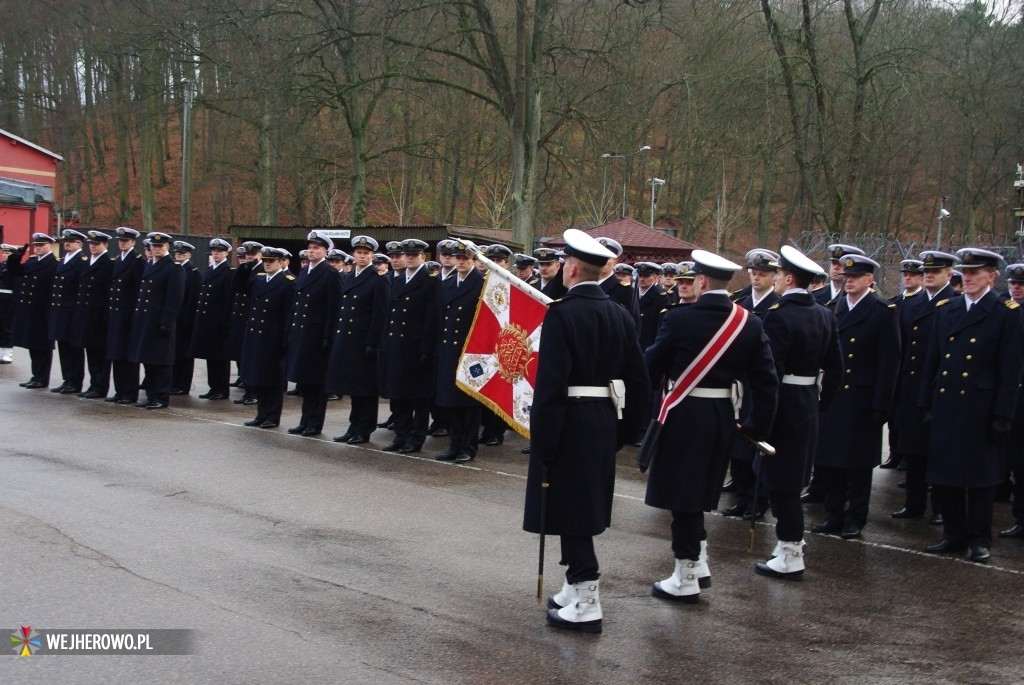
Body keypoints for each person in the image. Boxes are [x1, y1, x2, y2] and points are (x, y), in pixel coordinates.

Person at [524, 229, 649, 634]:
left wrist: (542, 441)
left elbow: (550, 386)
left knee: (572, 508)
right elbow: (638, 381)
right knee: (577, 503)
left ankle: (587, 593)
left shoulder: (562, 313)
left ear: (572, 269)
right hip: (601, 421)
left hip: (569, 420)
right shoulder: (620, 314)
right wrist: (624, 432)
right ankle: (573, 585)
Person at [643, 250, 778, 604]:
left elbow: (650, 366)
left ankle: (685, 573)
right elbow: (766, 384)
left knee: (682, 496)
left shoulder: (679, 319)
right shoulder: (749, 322)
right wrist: (754, 428)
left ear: (701, 281)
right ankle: (699, 561)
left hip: (684, 413)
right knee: (701, 490)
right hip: (721, 414)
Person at [920, 248, 1024, 564]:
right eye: (964, 273)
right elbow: (933, 361)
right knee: (945, 474)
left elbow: (1011, 370)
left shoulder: (1005, 312)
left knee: (980, 479)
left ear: (991, 277)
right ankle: (953, 534)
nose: (967, 279)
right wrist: (925, 400)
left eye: (974, 274)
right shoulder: (947, 310)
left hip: (981, 407)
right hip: (947, 403)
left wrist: (1003, 414)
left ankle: (979, 539)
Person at [755, 246, 842, 580]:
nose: (774, 278)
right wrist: (820, 404)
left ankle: (791, 551)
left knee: (783, 483)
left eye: (777, 274)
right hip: (806, 401)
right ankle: (786, 542)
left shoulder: (779, 315)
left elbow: (770, 372)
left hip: (784, 404)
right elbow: (836, 369)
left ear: (788, 278)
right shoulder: (824, 314)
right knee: (787, 477)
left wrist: (762, 416)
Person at [810, 255, 900, 539]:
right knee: (831, 460)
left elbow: (889, 364)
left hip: (863, 398)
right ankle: (833, 513)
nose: (848, 280)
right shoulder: (832, 308)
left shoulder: (883, 312)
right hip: (834, 396)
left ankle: (855, 517)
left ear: (870, 280)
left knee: (859, 464)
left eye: (856, 276)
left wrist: (881, 405)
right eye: (847, 276)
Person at [890, 251, 958, 520]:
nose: (928, 275)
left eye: (935, 272)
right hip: (911, 385)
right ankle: (914, 502)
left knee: (938, 452)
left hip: (938, 388)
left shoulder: (953, 303)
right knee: (915, 450)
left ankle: (941, 508)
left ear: (948, 275)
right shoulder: (912, 303)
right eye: (926, 272)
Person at [722, 248, 781, 521]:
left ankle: (758, 500)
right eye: (753, 273)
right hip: (738, 382)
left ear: (774, 276)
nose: (757, 278)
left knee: (755, 442)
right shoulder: (739, 303)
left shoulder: (778, 306)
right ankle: (741, 495)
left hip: (760, 382)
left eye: (763, 274)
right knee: (736, 444)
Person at [379, 238, 441, 453]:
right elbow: (389, 315)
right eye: (408, 255)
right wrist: (385, 342)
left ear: (423, 257)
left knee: (418, 398)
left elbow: (432, 319)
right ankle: (401, 434)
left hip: (417, 348)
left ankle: (416, 439)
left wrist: (427, 349)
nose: (410, 258)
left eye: (415, 255)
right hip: (396, 345)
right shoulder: (396, 279)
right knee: (398, 395)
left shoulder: (431, 280)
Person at [327, 235, 389, 445]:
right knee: (353, 388)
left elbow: (380, 314)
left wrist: (373, 342)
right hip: (347, 340)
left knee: (366, 389)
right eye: (359, 253)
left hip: (364, 341)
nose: (362, 256)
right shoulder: (350, 276)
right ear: (353, 254)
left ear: (372, 256)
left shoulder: (378, 278)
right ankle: (353, 426)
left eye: (366, 253)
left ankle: (364, 429)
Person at [286, 231, 342, 437]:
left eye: (316, 248)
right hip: (302, 333)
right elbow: (296, 304)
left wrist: (328, 336)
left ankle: (315, 422)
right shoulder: (304, 272)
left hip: (317, 336)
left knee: (317, 383)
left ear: (325, 251)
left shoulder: (330, 274)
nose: (311, 251)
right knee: (304, 382)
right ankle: (305, 419)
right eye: (309, 248)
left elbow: (333, 308)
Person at [433, 240, 485, 463]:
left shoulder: (482, 284)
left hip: (471, 351)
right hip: (448, 349)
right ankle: (454, 444)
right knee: (451, 401)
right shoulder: (447, 283)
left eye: (466, 258)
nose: (461, 262)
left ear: (474, 260)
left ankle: (468, 447)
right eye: (458, 258)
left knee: (469, 404)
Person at [128, 232, 186, 409]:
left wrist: (166, 322)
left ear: (167, 247)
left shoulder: (173, 268)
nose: (157, 249)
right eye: (154, 246)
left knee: (161, 362)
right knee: (149, 360)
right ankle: (151, 395)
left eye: (160, 246)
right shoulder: (151, 265)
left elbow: (174, 299)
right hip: (146, 321)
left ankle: (161, 397)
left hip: (160, 323)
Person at [240, 247, 296, 429]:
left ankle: (272, 416)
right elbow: (240, 289)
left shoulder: (288, 282)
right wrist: (247, 266)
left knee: (272, 379)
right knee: (259, 377)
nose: (268, 264)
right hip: (256, 334)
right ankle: (261, 413)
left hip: (273, 336)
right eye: (265, 261)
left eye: (271, 261)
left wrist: (285, 340)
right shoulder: (259, 279)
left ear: (281, 262)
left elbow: (289, 314)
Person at [881, 258, 925, 469]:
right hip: (896, 365)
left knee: (906, 413)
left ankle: (906, 453)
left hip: (910, 364)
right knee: (893, 412)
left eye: (913, 275)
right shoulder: (896, 302)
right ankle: (894, 451)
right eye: (905, 274)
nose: (907, 278)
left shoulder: (920, 303)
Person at [9, 234, 57, 388]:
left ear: (49, 245)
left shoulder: (53, 264)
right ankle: (36, 375)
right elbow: (16, 271)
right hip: (29, 310)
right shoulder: (32, 261)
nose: (37, 248)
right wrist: (15, 258)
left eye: (41, 245)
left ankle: (42, 378)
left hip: (41, 310)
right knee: (32, 345)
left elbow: (52, 290)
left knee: (41, 346)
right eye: (36, 245)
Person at [71, 230, 115, 398]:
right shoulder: (87, 262)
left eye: (97, 244)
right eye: (91, 244)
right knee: (91, 353)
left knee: (100, 355)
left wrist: (105, 317)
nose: (93, 246)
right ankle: (93, 385)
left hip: (99, 317)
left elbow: (108, 293)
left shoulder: (108, 264)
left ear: (105, 245)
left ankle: (99, 386)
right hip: (86, 315)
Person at [190, 238, 235, 400]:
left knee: (220, 357)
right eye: (214, 251)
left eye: (219, 251)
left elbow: (228, 299)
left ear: (226, 253)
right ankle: (213, 386)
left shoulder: (228, 272)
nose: (216, 254)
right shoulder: (209, 271)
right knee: (210, 356)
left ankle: (221, 388)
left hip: (218, 321)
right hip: (207, 321)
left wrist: (225, 322)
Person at [105, 227, 146, 404]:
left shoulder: (137, 262)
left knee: (128, 357)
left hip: (128, 316)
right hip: (116, 315)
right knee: (116, 354)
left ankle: (129, 392)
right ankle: (120, 390)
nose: (122, 243)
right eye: (120, 241)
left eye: (126, 241)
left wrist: (134, 316)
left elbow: (139, 291)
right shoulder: (118, 260)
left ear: (133, 242)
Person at [49, 229, 89, 394]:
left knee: (74, 349)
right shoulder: (63, 260)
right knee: (63, 347)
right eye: (66, 241)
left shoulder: (81, 261)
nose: (67, 243)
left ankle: (75, 382)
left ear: (80, 244)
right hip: (60, 311)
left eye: (71, 241)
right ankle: (67, 379)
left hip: (72, 311)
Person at [1001, 263, 1024, 541]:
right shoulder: (1008, 314)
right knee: (1019, 462)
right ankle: (1020, 517)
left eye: (1021, 284)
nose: (1016, 287)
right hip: (1017, 397)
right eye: (1014, 283)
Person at [170, 241, 202, 395]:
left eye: (182, 253)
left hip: (185, 321)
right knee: (174, 353)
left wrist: (188, 321)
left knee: (184, 355)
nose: (179, 255)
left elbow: (193, 299)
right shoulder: (176, 269)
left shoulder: (193, 272)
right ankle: (174, 382)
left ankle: (183, 385)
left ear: (189, 255)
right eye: (177, 253)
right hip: (175, 319)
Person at [635, 262, 666, 351]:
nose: (642, 279)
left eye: (646, 276)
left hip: (649, 344)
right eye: (640, 276)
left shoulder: (661, 297)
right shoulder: (632, 293)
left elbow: (660, 326)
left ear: (655, 278)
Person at [0, 243, 18, 364]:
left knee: (7, 327)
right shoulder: (1, 266)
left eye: (8, 253)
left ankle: (8, 353)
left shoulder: (15, 268)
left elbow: (16, 286)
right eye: (4, 253)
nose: (5, 255)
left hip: (9, 299)